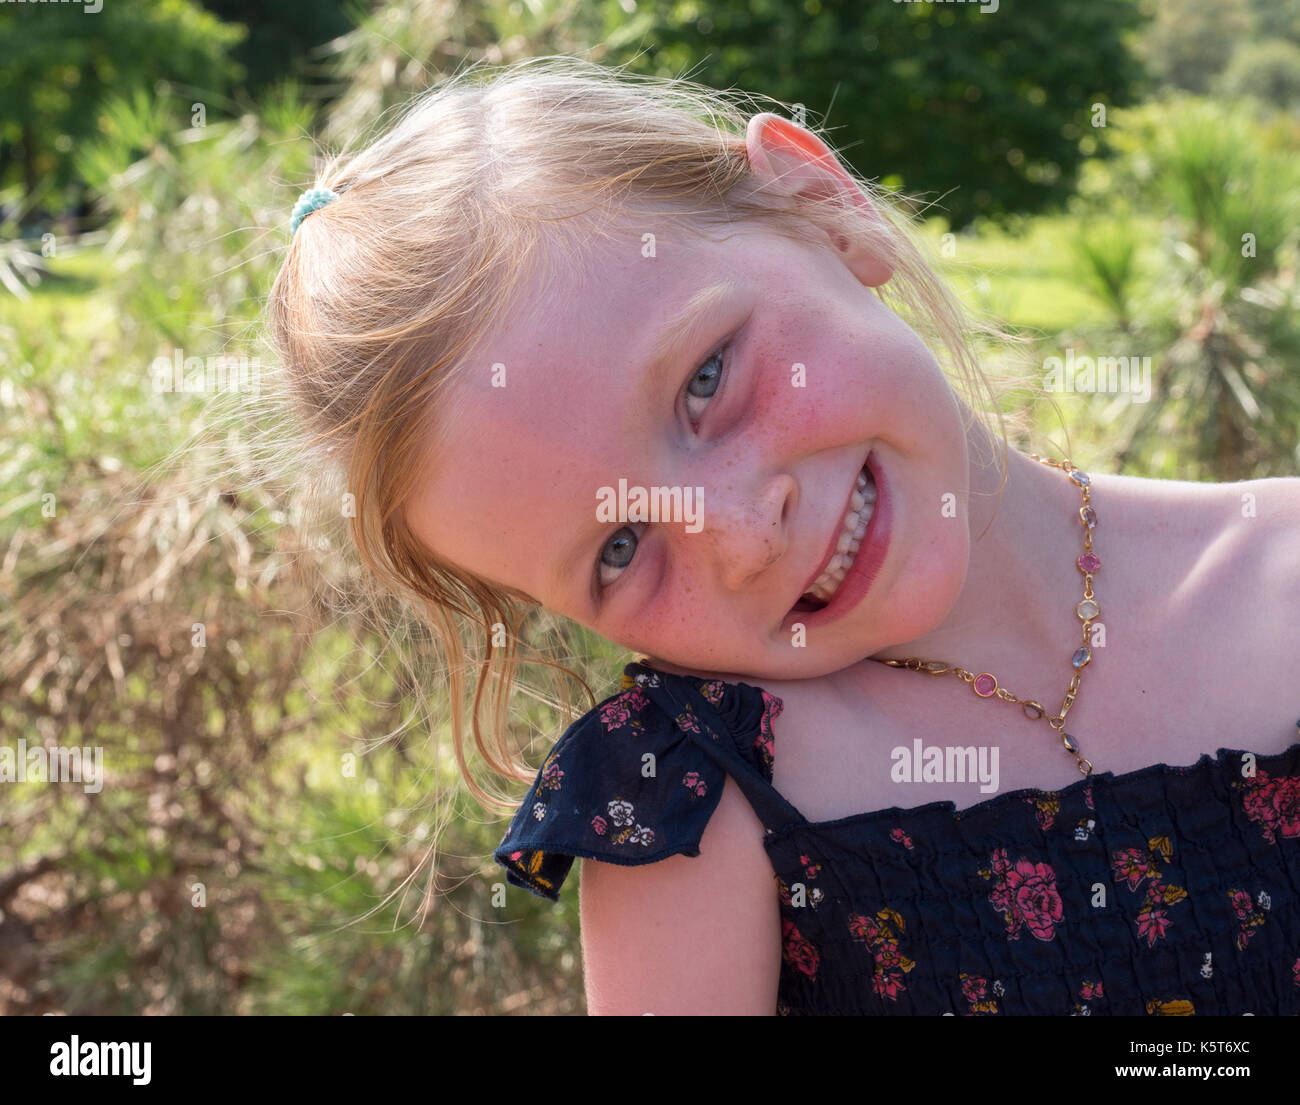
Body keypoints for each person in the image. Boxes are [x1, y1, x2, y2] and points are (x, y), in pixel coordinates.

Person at [266, 56, 1300, 1015]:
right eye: (620, 547)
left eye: (706, 379)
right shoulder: (701, 813)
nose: (740, 535)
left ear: (822, 202)